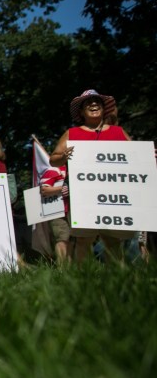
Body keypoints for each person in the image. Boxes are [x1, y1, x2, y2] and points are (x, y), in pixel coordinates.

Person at [48, 89, 133, 263]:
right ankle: (83, 279)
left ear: (104, 108)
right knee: (84, 238)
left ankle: (116, 279)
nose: (94, 105)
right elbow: (53, 160)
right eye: (88, 103)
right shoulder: (72, 134)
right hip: (84, 196)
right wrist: (63, 157)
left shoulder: (118, 132)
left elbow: (135, 157)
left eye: (97, 102)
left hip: (113, 195)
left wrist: (148, 156)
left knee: (113, 239)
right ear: (81, 111)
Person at [39, 164, 70, 264]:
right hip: (59, 213)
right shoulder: (54, 170)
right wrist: (63, 189)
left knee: (73, 241)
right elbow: (44, 189)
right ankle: (62, 271)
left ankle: (72, 270)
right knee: (62, 239)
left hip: (74, 212)